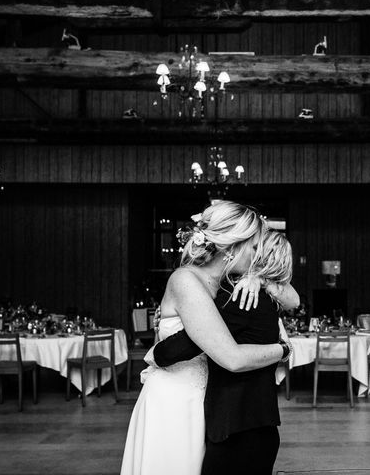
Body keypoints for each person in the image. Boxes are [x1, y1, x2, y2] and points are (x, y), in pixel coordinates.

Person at [120, 201, 292, 475]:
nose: (259, 256)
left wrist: (260, 280)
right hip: (176, 401)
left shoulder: (230, 284)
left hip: (209, 404)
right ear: (232, 246)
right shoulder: (186, 280)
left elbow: (291, 297)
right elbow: (231, 357)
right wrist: (283, 350)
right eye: (255, 247)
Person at [154, 230, 299, 475]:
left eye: (252, 248)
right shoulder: (269, 302)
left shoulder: (239, 300)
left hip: (237, 432)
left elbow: (175, 350)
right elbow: (293, 299)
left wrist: (162, 340)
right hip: (259, 426)